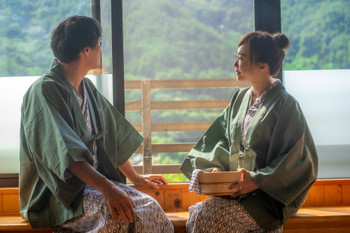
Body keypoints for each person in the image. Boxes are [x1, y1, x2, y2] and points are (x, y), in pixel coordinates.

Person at [19, 15, 173, 233]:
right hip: (59, 194)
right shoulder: (45, 90)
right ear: (86, 51)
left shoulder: (87, 88)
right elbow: (66, 154)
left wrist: (136, 179)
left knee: (151, 209)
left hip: (93, 187)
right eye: (100, 44)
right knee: (120, 217)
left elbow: (111, 140)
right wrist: (108, 187)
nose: (102, 50)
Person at [180, 31, 318, 232]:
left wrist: (256, 180)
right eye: (236, 57)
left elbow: (299, 160)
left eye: (241, 59)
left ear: (262, 66)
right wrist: (215, 170)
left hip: (267, 199)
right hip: (235, 193)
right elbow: (219, 142)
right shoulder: (239, 99)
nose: (235, 64)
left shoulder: (286, 104)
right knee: (199, 215)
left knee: (212, 221)